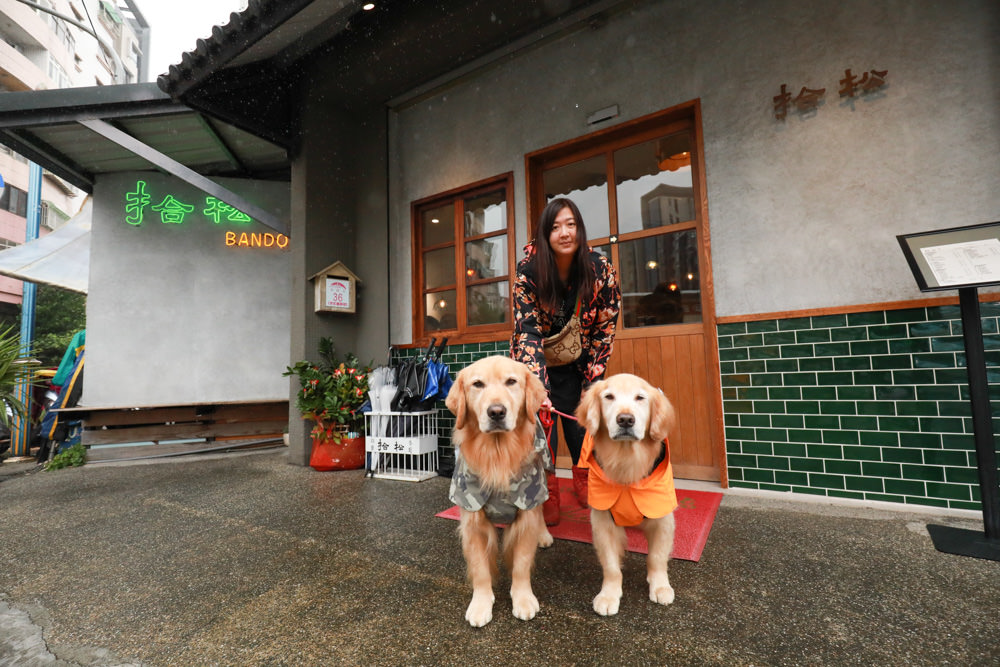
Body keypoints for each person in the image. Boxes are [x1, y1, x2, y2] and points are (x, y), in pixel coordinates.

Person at [510, 197, 621, 507]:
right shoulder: (528, 272)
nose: (565, 233)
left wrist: (593, 379)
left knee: (580, 421)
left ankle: (585, 477)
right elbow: (527, 331)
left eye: (571, 224)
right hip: (538, 359)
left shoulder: (599, 268)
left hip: (578, 361)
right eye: (556, 227)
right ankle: (547, 491)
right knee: (543, 422)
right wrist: (535, 384)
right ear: (546, 234)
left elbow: (605, 326)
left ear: (580, 229)